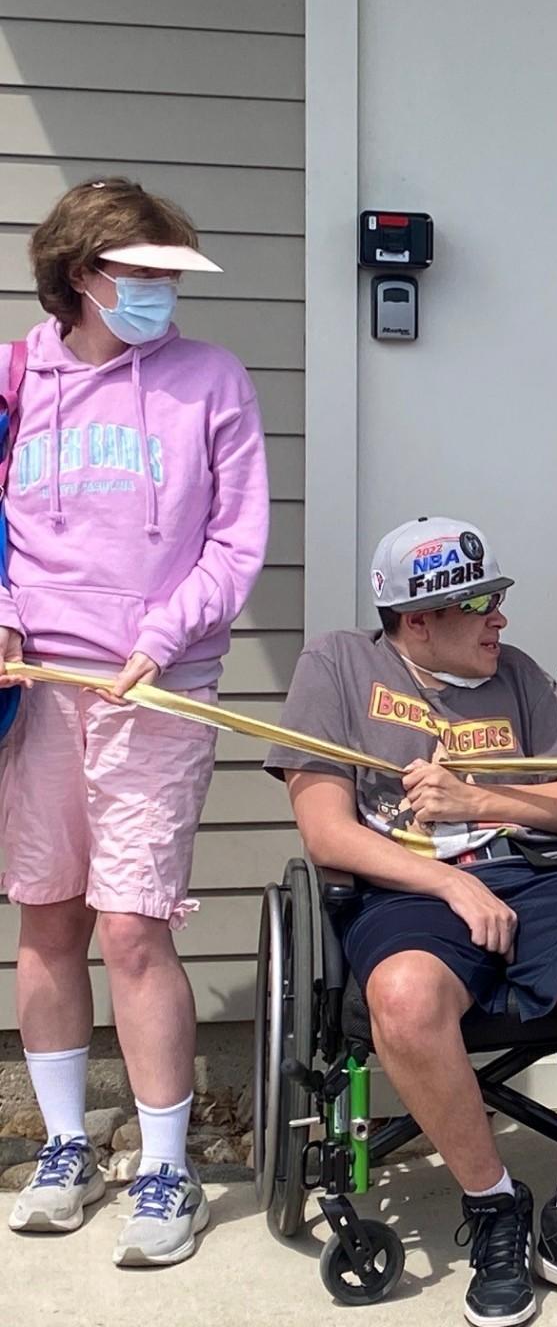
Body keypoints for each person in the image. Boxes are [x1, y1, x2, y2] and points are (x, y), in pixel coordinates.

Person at [265, 518, 557, 1323]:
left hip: (539, 873)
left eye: (498, 599)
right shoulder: (339, 667)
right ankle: (495, 1207)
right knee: (405, 998)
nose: (501, 619)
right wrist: (450, 886)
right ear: (418, 620)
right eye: (481, 603)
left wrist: (482, 800)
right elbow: (326, 832)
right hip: (407, 891)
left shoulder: (520, 678)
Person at [1, 179, 267, 1265]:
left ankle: (166, 1167)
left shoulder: (212, 380)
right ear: (81, 276)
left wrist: (163, 635)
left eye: (171, 275)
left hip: (155, 689)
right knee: (48, 915)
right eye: (142, 274)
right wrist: (7, 620)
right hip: (37, 688)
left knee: (132, 924)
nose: (161, 293)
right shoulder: (18, 373)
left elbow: (237, 539)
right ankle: (66, 1146)